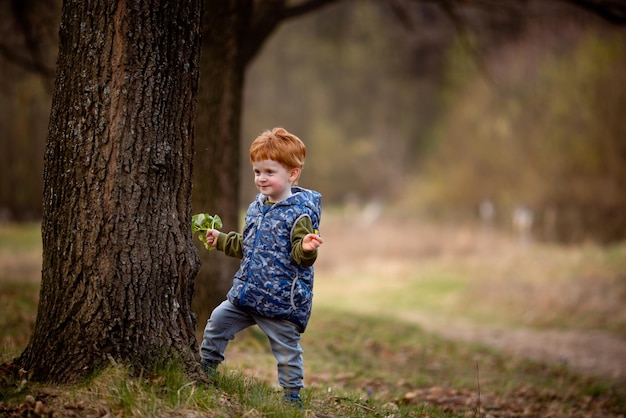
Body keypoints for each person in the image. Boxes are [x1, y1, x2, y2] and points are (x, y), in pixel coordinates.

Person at [199, 127, 323, 407]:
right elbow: (249, 247)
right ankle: (205, 370)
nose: (261, 178)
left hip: (281, 302)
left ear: (292, 174)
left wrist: (305, 249)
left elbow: (300, 256)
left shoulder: (300, 213)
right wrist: (220, 240)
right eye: (257, 172)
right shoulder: (257, 207)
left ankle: (292, 397)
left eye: (269, 172)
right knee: (217, 322)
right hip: (247, 295)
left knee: (287, 352)